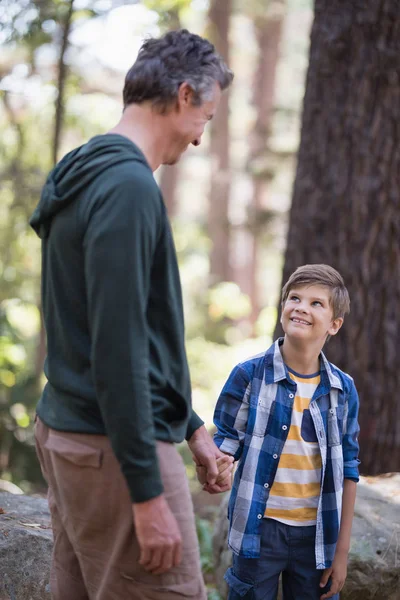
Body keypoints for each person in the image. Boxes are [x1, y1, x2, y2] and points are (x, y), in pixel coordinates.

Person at [30, 29, 234, 600]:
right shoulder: (127, 187)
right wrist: (147, 496)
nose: (199, 139)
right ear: (186, 94)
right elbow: (117, 349)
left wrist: (190, 426)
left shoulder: (83, 167)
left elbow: (114, 332)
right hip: (114, 451)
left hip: (69, 435)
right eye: (206, 119)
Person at [213, 264, 360, 600]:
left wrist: (341, 552)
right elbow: (225, 441)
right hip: (258, 531)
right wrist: (217, 465)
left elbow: (349, 469)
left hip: (317, 537)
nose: (301, 307)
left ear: (334, 324)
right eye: (295, 298)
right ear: (283, 309)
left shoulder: (343, 389)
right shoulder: (248, 376)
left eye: (316, 303)